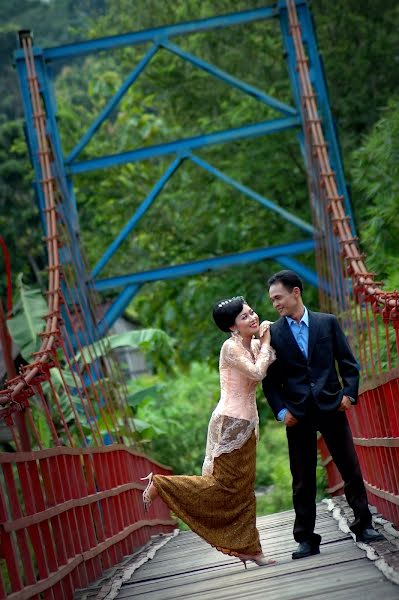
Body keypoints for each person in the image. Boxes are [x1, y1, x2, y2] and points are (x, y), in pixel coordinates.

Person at [140, 296, 276, 568]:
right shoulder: (230, 348)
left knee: (243, 491)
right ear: (232, 327)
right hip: (230, 423)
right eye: (245, 317)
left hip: (248, 424)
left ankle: (251, 549)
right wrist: (269, 341)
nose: (253, 318)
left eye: (252, 312)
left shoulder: (255, 344)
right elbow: (258, 372)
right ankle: (163, 484)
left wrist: (271, 337)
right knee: (223, 486)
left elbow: (269, 358)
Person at [262, 270, 384, 560]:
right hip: (297, 414)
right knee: (302, 478)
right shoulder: (274, 334)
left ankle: (364, 524)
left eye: (278, 297)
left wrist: (348, 394)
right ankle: (306, 539)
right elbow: (269, 381)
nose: (275, 304)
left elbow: (348, 364)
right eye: (272, 300)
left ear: (295, 292)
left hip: (332, 405)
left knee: (350, 468)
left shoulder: (327, 323)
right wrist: (281, 412)